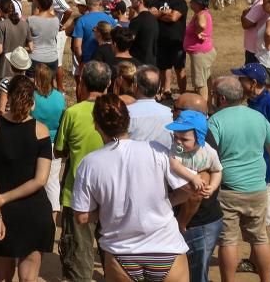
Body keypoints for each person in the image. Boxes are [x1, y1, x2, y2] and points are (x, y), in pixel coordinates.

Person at [72, 95, 192, 282]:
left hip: (121, 253)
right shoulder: (156, 149)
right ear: (128, 121)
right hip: (167, 248)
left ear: (96, 125)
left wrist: (108, 212)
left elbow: (81, 216)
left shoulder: (89, 163)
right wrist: (167, 202)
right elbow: (188, 190)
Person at [208, 75, 270, 282]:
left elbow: (209, 156)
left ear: (222, 99)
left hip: (228, 190)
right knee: (260, 238)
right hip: (258, 189)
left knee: (228, 241)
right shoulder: (258, 117)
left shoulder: (215, 121)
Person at [0, 75, 55, 282]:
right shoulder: (41, 131)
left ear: (9, 97)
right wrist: (5, 198)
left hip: (2, 211)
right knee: (29, 278)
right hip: (34, 210)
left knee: (2, 277)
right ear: (33, 100)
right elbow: (40, 180)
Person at [234, 64, 270, 282]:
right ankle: (254, 259)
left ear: (254, 84)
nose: (239, 82)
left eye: (242, 79)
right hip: (255, 169)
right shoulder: (251, 102)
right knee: (254, 218)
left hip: (269, 173)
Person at [55, 60, 109, 282]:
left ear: (82, 83)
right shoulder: (117, 112)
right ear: (109, 84)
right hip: (110, 194)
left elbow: (60, 150)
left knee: (78, 257)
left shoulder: (73, 113)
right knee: (113, 254)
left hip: (77, 195)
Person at [171, 93, 225, 282]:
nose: (172, 110)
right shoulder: (184, 138)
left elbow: (196, 193)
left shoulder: (201, 145)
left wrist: (181, 222)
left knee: (195, 276)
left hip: (196, 223)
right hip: (197, 222)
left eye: (175, 108)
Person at [32, 62, 66, 218]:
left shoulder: (32, 96)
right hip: (53, 143)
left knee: (34, 179)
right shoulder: (60, 97)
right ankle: (52, 220)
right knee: (52, 182)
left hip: (34, 142)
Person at [152, 0, 189, 99]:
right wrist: (164, 13)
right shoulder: (158, 0)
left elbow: (174, 17)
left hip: (176, 42)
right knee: (163, 68)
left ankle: (183, 94)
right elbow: (151, 13)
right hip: (161, 40)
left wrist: (159, 14)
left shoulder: (180, 2)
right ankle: (166, 91)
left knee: (179, 69)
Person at [127, 65, 174, 147]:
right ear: (159, 88)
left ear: (135, 86)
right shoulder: (169, 113)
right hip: (164, 158)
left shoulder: (127, 112)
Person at [70, 0, 115, 75]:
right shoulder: (109, 19)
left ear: (86, 3)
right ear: (100, 3)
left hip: (88, 63)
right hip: (107, 62)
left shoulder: (81, 20)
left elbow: (77, 46)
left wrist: (81, 61)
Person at [184, 0, 216, 105]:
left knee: (200, 83)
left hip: (200, 53)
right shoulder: (203, 13)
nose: (190, 3)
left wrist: (198, 32)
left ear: (198, 3)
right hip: (204, 52)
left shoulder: (201, 14)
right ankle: (208, 106)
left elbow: (202, 25)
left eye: (192, 1)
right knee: (206, 79)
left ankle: (203, 110)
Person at [0, 0, 32, 82]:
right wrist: (19, 49)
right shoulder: (25, 24)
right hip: (20, 68)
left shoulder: (1, 25)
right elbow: (31, 48)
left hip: (4, 69)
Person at [28, 0, 61, 75]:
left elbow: (26, 39)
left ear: (38, 3)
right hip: (52, 58)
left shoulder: (31, 20)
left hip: (35, 59)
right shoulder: (56, 20)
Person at [241, 0, 270, 65]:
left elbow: (245, 24)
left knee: (250, 77)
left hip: (254, 50)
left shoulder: (260, 5)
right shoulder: (258, 1)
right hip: (254, 47)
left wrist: (243, 14)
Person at [129, 0, 159, 66]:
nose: (130, 0)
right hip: (152, 62)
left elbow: (128, 41)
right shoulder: (153, 18)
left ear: (140, 2)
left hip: (139, 63)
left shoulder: (137, 21)